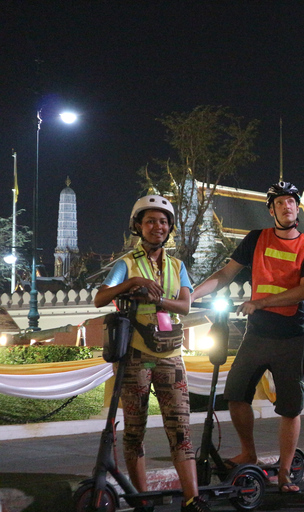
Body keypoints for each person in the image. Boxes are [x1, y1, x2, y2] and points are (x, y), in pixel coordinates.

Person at [190, 181, 304, 494]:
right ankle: (249, 451)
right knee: (235, 394)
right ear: (271, 210)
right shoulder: (256, 239)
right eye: (280, 203)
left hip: (291, 334)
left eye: (291, 202)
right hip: (257, 333)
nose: (286, 207)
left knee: (290, 407)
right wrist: (192, 293)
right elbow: (225, 274)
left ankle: (286, 472)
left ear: (297, 208)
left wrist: (260, 302)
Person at [94, 195, 210, 512]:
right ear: (139, 227)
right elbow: (100, 299)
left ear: (169, 227)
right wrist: (132, 282)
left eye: (162, 221)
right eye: (150, 221)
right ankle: (141, 500)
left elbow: (185, 306)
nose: (157, 226)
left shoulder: (177, 265)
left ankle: (191, 497)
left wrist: (157, 301)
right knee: (134, 432)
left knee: (181, 431)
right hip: (135, 355)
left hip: (170, 355)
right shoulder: (126, 264)